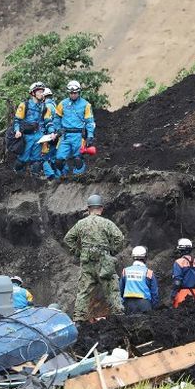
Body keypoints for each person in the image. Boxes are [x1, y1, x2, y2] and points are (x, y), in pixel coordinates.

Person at [63, 194, 125, 322]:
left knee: (84, 292)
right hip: (104, 263)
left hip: (87, 263)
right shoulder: (107, 223)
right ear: (101, 208)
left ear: (88, 208)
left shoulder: (81, 223)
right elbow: (120, 238)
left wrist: (78, 252)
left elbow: (68, 239)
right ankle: (119, 318)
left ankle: (78, 320)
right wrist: (112, 251)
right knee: (112, 291)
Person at [53, 80, 95, 177]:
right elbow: (56, 118)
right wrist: (58, 129)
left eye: (75, 93)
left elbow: (90, 122)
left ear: (79, 92)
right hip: (65, 135)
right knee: (59, 160)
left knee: (78, 159)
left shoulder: (86, 105)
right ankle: (63, 177)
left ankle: (78, 178)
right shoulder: (62, 104)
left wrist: (90, 136)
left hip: (79, 136)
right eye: (71, 93)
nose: (73, 95)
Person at [13, 82, 50, 174]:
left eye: (42, 91)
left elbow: (48, 121)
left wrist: (52, 132)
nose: (42, 94)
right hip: (27, 136)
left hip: (39, 136)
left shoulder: (44, 107)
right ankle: (16, 176)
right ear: (33, 93)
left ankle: (36, 183)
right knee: (22, 160)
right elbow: (17, 120)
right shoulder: (24, 105)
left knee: (36, 161)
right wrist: (17, 131)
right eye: (39, 92)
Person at [119, 246, 159, 313]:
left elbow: (120, 290)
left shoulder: (125, 271)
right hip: (144, 304)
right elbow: (154, 293)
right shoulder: (149, 272)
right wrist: (153, 308)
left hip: (128, 304)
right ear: (145, 257)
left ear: (133, 257)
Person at [171, 238, 195, 308]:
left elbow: (177, 282)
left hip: (183, 295)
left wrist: (173, 294)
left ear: (181, 250)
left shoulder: (178, 262)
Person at [41, 87, 60, 180]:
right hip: (56, 135)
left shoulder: (46, 107)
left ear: (44, 97)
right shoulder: (55, 106)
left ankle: (51, 176)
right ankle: (59, 176)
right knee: (53, 157)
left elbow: (47, 121)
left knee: (42, 157)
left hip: (47, 136)